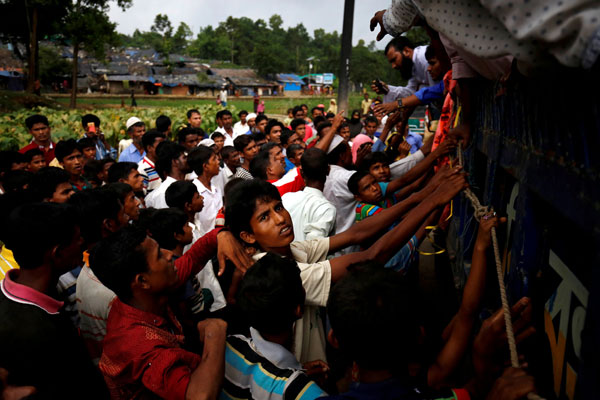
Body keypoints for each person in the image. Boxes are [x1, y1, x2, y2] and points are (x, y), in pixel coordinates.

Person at [225, 173, 466, 363]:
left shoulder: (292, 250)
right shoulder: (275, 274)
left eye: (278, 208)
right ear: (247, 236)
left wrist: (419, 197)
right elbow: (373, 255)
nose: (280, 219)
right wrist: (433, 199)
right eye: (264, 217)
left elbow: (356, 233)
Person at [91, 226, 228, 400]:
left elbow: (192, 258)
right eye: (159, 255)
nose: (169, 254)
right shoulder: (137, 344)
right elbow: (200, 396)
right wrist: (214, 334)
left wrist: (221, 235)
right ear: (142, 280)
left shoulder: (147, 291)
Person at [0, 202, 109, 399]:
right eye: (77, 239)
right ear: (57, 253)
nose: (82, 242)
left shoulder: (26, 295)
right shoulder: (34, 332)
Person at [223, 253, 327, 399]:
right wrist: (301, 383)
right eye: (301, 285)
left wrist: (298, 372)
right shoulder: (301, 392)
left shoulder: (228, 347)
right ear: (298, 310)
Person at [71, 189, 129, 365]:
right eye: (124, 214)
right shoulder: (113, 287)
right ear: (109, 225)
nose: (128, 219)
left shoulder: (88, 268)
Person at [282, 148, 336, 241]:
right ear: (328, 170)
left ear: (302, 173)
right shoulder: (327, 209)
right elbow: (314, 247)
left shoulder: (286, 198)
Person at [188, 145, 223, 234]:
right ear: (205, 166)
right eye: (214, 159)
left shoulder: (216, 188)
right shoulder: (194, 193)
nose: (218, 161)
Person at [145, 141, 190, 209]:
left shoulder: (186, 186)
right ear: (175, 162)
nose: (188, 160)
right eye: (184, 157)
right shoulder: (162, 194)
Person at [137, 130, 166, 194]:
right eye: (160, 146)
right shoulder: (142, 169)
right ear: (149, 148)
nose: (163, 148)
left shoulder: (165, 164)